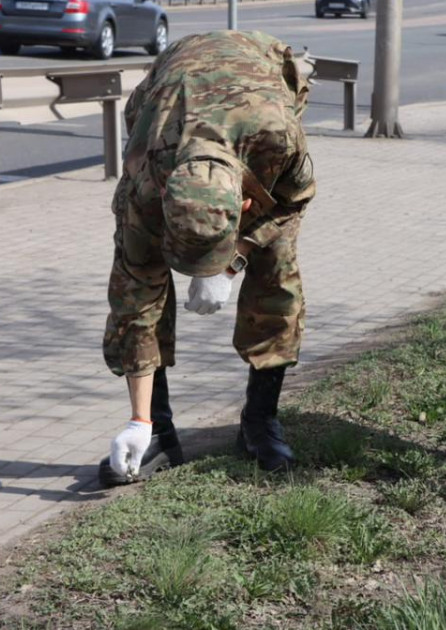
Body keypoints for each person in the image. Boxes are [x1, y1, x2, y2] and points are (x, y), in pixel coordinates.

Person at [100, 30, 316, 486]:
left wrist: (235, 258)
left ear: (244, 204)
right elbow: (134, 300)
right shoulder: (144, 178)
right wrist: (138, 422)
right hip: (172, 83)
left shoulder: (278, 141)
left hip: (261, 69)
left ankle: (260, 422)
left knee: (277, 280)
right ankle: (156, 431)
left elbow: (294, 201)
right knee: (136, 289)